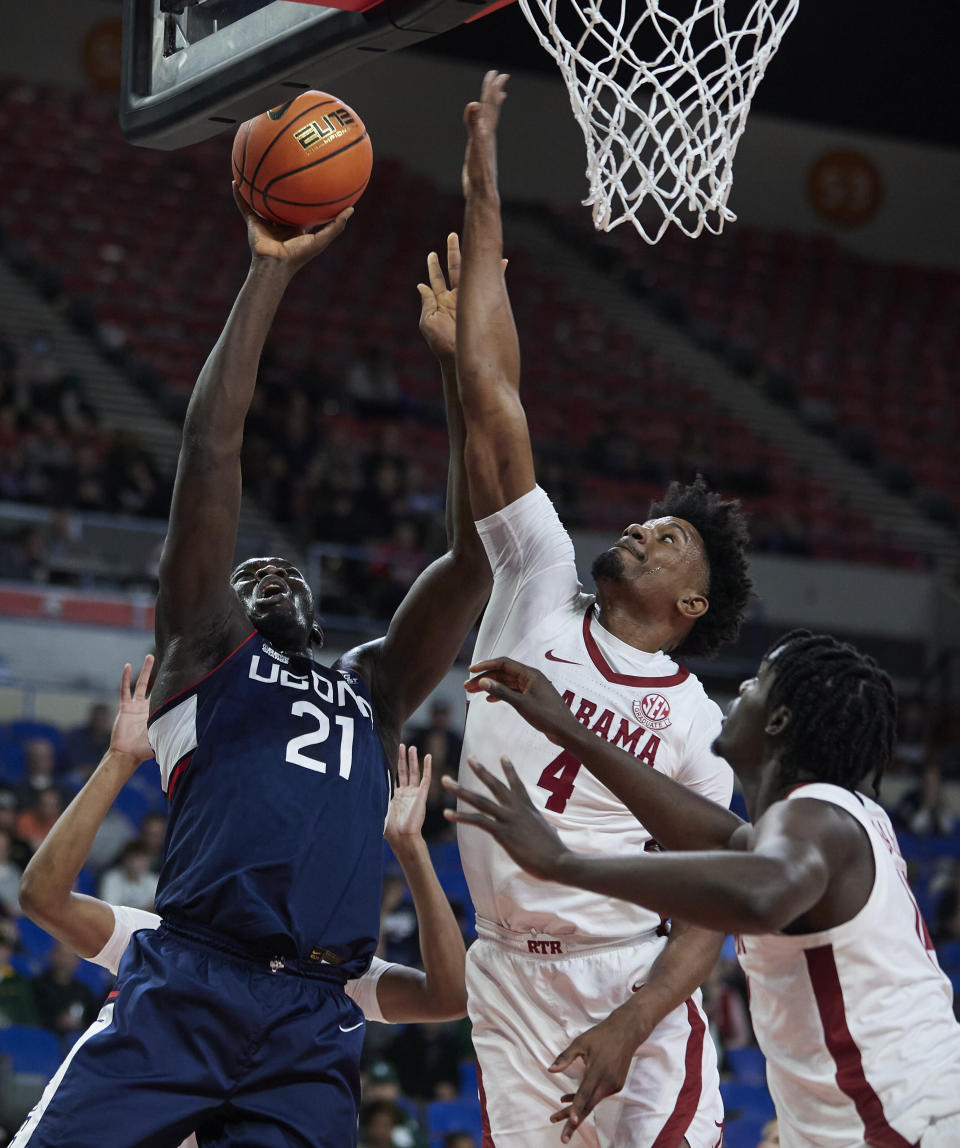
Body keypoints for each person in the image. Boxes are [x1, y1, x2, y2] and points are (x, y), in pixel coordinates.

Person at [11, 194, 490, 1147]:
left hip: (316, 1018)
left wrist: (453, 375)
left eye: (284, 567)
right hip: (189, 974)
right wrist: (270, 268)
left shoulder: (375, 690)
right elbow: (211, 447)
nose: (266, 566)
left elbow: (477, 554)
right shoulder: (205, 649)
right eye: (246, 571)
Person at [451, 71, 752, 1148]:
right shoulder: (536, 581)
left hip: (627, 976)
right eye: (645, 523)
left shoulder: (693, 716)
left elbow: (713, 901)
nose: (638, 530)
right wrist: (483, 192)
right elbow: (496, 393)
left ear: (691, 599)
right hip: (505, 973)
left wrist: (632, 1018)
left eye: (667, 539)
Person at [445, 632, 960, 1147]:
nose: (741, 684)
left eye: (759, 681)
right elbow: (716, 836)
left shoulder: (816, 812)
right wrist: (567, 729)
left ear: (778, 722)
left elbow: (758, 895)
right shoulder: (828, 823)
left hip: (903, 1123)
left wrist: (564, 864)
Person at [18, 658, 468, 1147]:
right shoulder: (160, 939)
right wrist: (120, 758)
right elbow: (42, 896)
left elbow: (449, 997)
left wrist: (411, 847)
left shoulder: (334, 973)